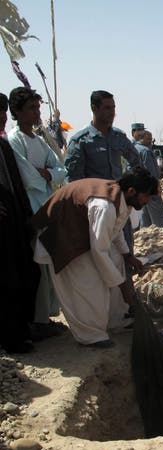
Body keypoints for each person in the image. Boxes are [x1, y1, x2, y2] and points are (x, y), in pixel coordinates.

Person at [31, 167, 157, 347]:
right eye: (147, 196)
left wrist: (127, 255)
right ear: (132, 191)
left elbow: (115, 229)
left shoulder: (122, 199)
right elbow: (99, 252)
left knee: (116, 260)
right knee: (88, 284)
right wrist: (122, 286)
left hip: (82, 235)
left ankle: (116, 319)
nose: (148, 201)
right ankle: (90, 335)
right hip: (63, 238)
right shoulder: (103, 206)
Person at [7, 87, 66, 338]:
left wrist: (49, 174)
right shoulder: (14, 139)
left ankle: (47, 316)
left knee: (49, 265)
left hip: (47, 206)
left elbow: (60, 169)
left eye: (37, 107)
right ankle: (38, 320)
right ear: (17, 112)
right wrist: (45, 175)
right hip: (31, 209)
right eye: (31, 108)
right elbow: (28, 177)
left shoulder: (39, 140)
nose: (36, 112)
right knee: (37, 267)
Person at [0, 92, 40, 353]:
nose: (2, 117)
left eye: (3, 112)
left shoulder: (4, 146)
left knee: (24, 273)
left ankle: (22, 329)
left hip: (13, 221)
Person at [65, 90, 139, 182]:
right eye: (107, 108)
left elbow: (136, 162)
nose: (112, 113)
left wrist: (127, 183)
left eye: (113, 108)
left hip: (117, 193)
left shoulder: (119, 137)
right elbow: (73, 179)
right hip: (93, 195)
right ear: (94, 108)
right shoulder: (80, 141)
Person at [135, 130, 163, 227]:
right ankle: (161, 234)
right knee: (159, 214)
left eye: (151, 139)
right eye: (148, 139)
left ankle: (145, 235)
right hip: (150, 187)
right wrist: (156, 186)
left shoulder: (134, 148)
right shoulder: (145, 151)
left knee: (145, 214)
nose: (150, 141)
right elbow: (151, 171)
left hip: (140, 188)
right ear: (141, 138)